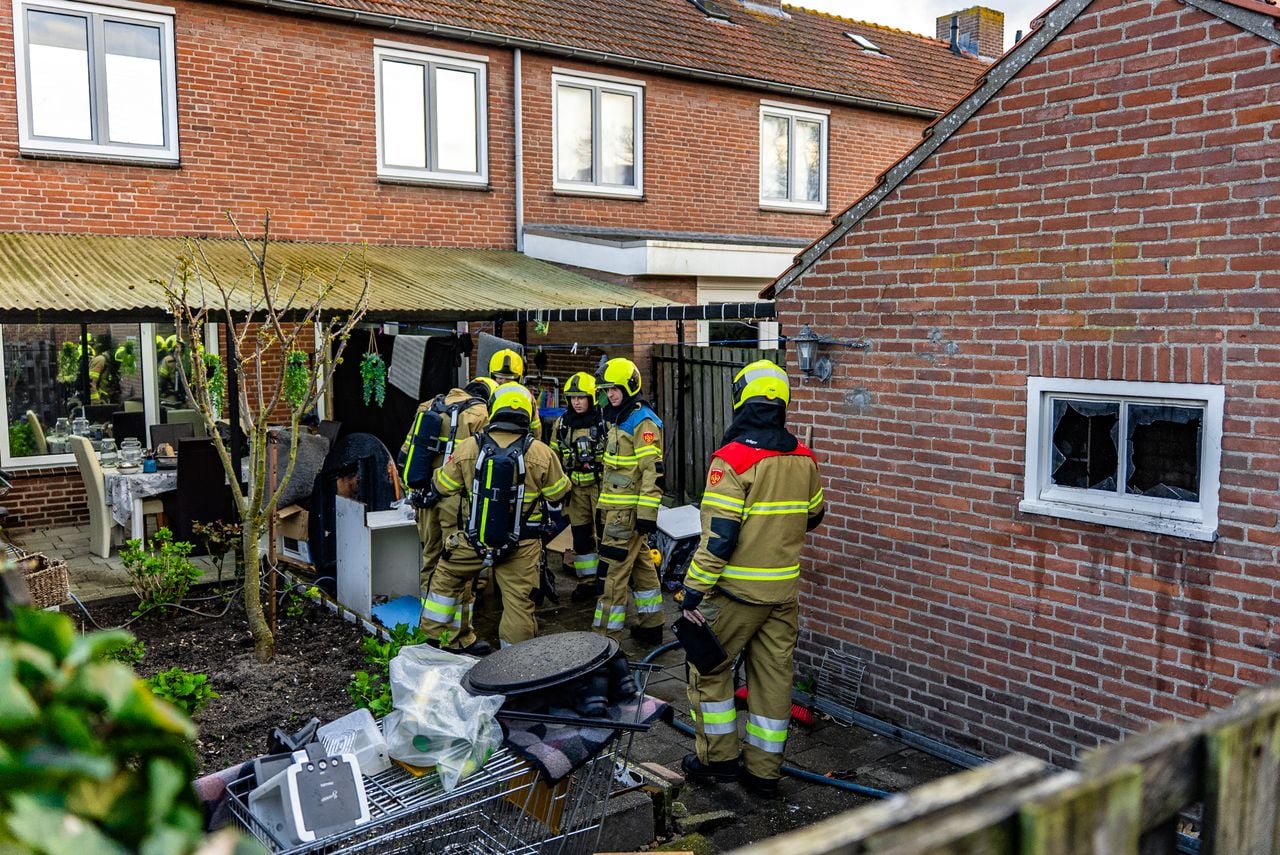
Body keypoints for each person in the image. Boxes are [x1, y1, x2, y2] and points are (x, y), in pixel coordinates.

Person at [678, 359, 825, 797]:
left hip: (735, 595)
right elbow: (814, 516)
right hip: (784, 594)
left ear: (742, 398)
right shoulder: (804, 457)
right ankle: (764, 771)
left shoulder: (732, 460)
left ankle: (717, 760)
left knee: (709, 670)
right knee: (773, 679)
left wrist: (692, 591)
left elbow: (718, 540)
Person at [420, 382, 570, 650]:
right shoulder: (541, 453)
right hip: (521, 546)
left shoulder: (468, 448)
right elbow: (559, 494)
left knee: (446, 579)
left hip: (471, 541)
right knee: (519, 603)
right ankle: (514, 667)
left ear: (493, 410)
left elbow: (442, 486)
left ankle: (440, 643)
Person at [592, 357, 664, 643]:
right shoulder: (620, 416)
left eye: (615, 389)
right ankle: (651, 624)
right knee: (642, 566)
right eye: (607, 389)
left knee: (611, 575)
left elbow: (653, 471)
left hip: (625, 514)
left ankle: (604, 639)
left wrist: (647, 513)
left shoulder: (641, 422)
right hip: (617, 510)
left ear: (629, 387)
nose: (610, 394)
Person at [399, 376, 493, 586]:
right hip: (455, 501)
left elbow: (406, 453)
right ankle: (459, 616)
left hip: (423, 495)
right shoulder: (480, 415)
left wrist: (410, 491)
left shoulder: (428, 406)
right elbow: (481, 465)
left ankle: (428, 612)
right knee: (456, 558)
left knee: (429, 555)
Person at [549, 372, 607, 602]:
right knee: (581, 538)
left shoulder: (604, 422)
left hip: (600, 488)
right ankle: (587, 582)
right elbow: (552, 458)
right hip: (575, 490)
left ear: (592, 398)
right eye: (573, 398)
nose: (577, 402)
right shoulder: (562, 424)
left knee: (605, 536)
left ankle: (606, 581)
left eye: (581, 397)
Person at [488, 347, 542, 439]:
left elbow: (535, 426)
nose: (504, 382)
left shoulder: (527, 396)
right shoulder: (526, 395)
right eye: (500, 378)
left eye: (509, 379)